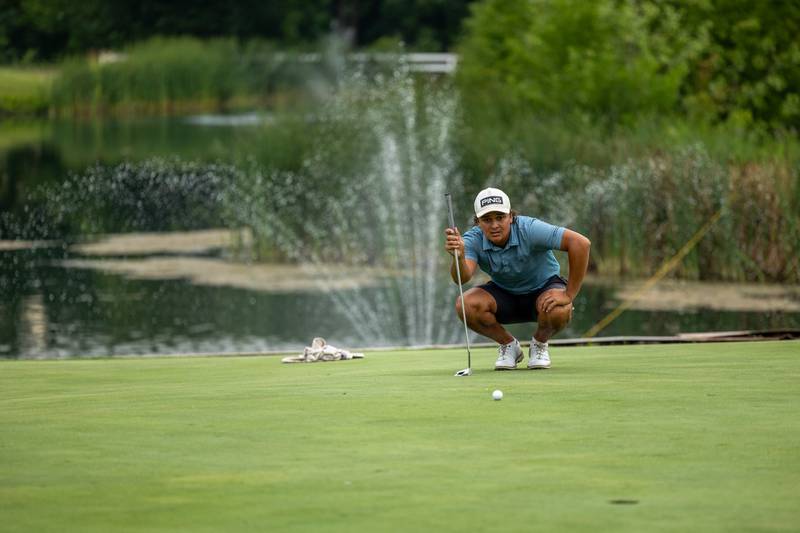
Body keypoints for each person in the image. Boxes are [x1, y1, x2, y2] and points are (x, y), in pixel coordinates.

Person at [444, 187, 591, 370]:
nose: (494, 225)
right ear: (478, 222)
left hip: (543, 289)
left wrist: (569, 294)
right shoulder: (472, 239)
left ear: (511, 217)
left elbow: (580, 243)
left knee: (560, 309)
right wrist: (458, 256)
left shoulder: (529, 228)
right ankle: (509, 346)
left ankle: (539, 345)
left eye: (500, 217)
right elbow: (462, 278)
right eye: (487, 220)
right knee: (465, 304)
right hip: (505, 295)